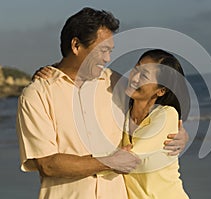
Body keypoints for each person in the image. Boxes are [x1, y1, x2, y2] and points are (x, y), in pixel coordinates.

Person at [17, 7, 188, 199]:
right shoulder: (37, 95)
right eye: (103, 50)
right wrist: (109, 162)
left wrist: (179, 133)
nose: (108, 58)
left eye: (110, 51)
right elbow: (47, 164)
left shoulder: (115, 84)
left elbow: (150, 103)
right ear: (76, 45)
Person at [121, 49, 190, 198]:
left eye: (144, 75)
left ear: (161, 90)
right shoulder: (122, 115)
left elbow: (127, 158)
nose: (134, 78)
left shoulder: (167, 115)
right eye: (136, 68)